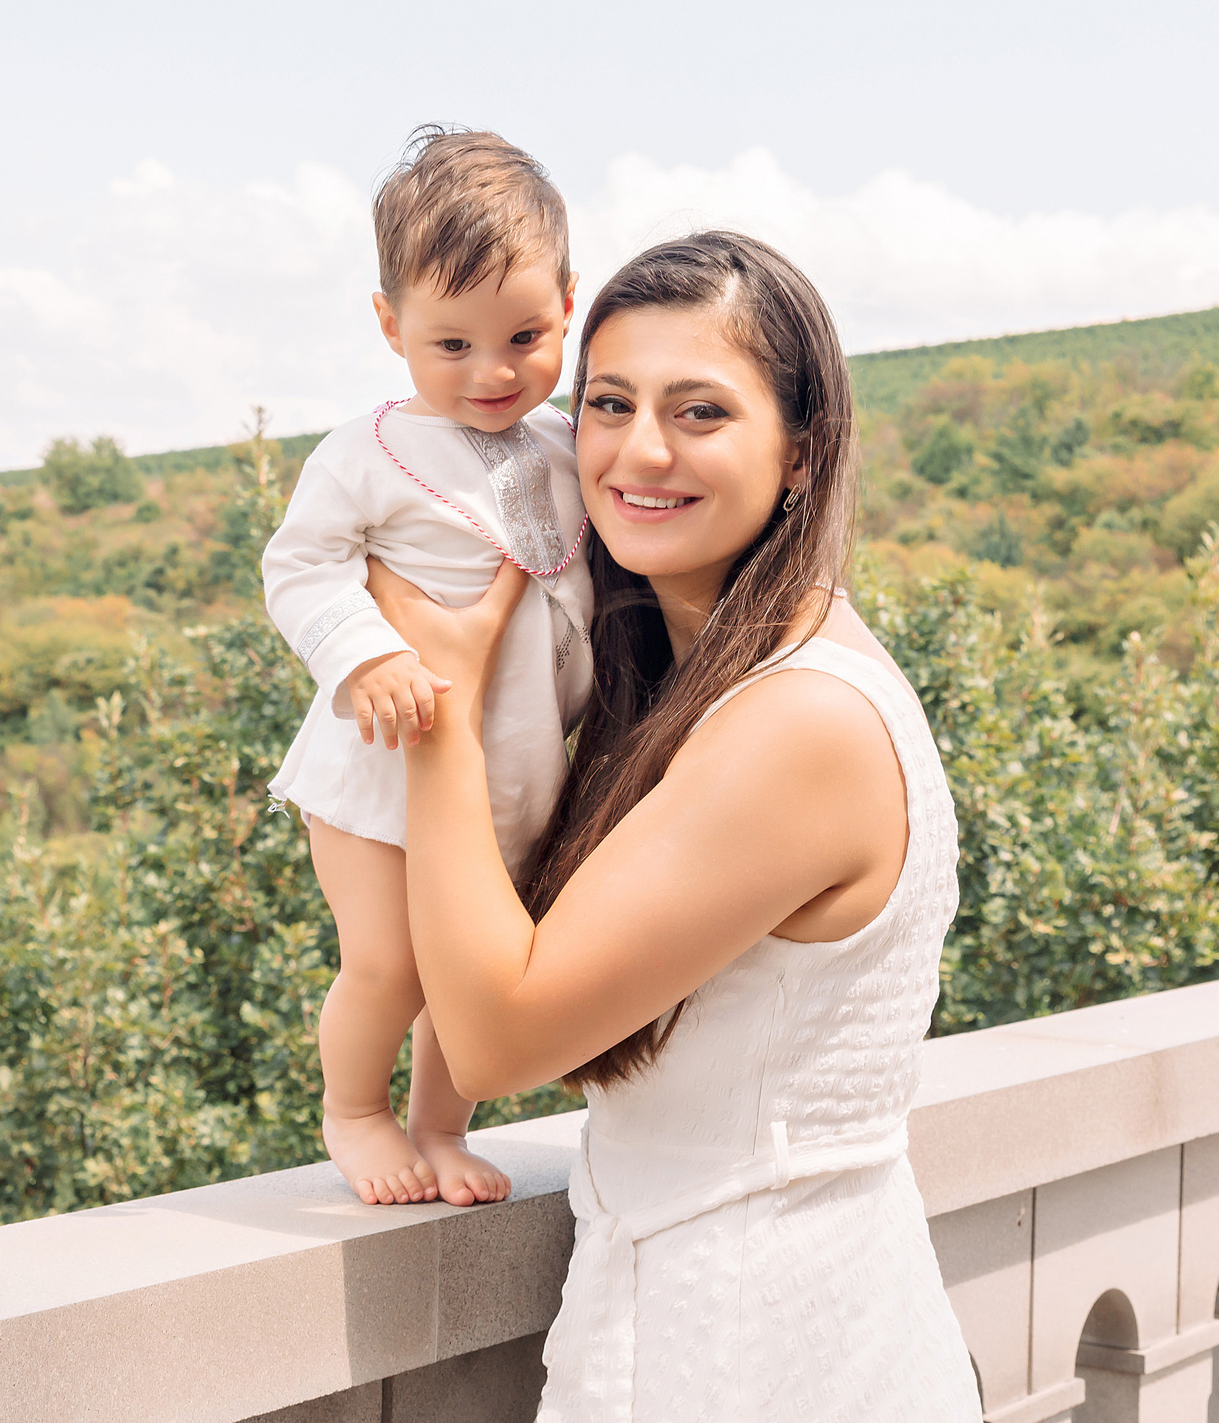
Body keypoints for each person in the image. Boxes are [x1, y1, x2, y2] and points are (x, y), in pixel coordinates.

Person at [365, 231, 982, 1419]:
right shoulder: (723, 682)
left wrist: (440, 712)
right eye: (608, 404)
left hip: (752, 1356)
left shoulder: (796, 722)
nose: (640, 449)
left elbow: (494, 1041)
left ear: (799, 452)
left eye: (699, 411)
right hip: (767, 1325)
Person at [261, 126, 596, 1208]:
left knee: (472, 963)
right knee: (390, 963)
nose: (491, 372)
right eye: (451, 343)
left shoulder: (565, 445)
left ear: (568, 306)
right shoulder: (364, 453)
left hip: (513, 769)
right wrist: (363, 654)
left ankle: (441, 1128)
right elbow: (300, 569)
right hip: (378, 767)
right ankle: (354, 1110)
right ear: (389, 324)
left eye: (524, 336)